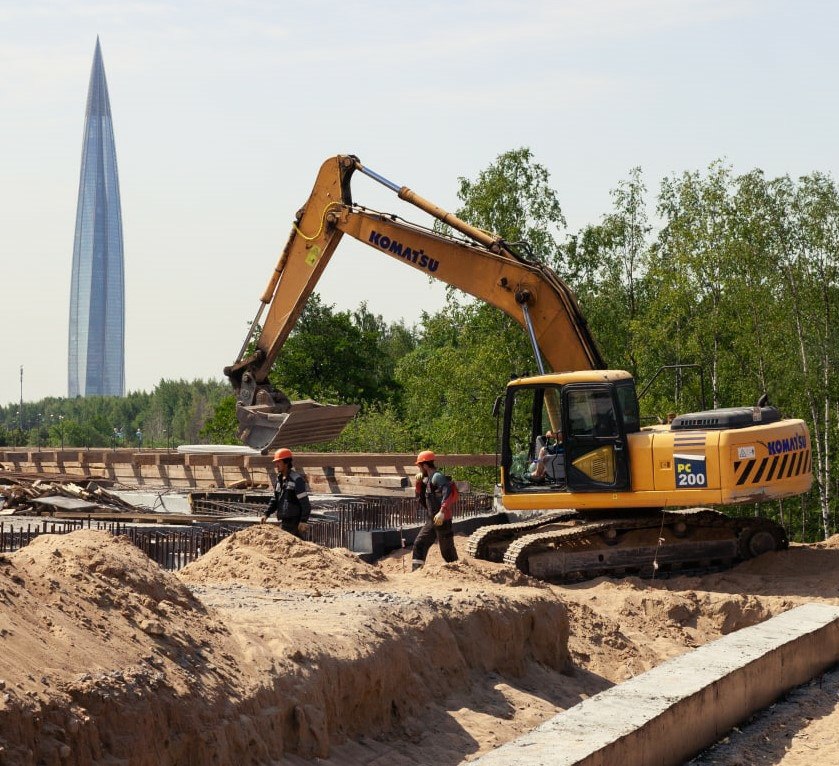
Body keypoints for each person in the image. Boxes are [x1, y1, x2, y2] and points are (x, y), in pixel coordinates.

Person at [410, 450, 458, 571]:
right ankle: (416, 572)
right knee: (419, 544)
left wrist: (442, 512)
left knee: (447, 552)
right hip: (432, 521)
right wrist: (418, 483)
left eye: (420, 467)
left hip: (442, 520)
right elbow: (421, 499)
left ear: (425, 465)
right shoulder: (427, 480)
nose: (419, 470)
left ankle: (459, 573)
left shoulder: (437, 477)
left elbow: (448, 492)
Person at [260, 447, 311, 538]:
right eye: (276, 462)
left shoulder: (296, 480)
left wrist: (303, 521)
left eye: (278, 462)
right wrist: (266, 514)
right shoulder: (279, 479)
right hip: (285, 520)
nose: (276, 465)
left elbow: (305, 503)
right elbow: (275, 499)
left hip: (294, 521)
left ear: (286, 462)